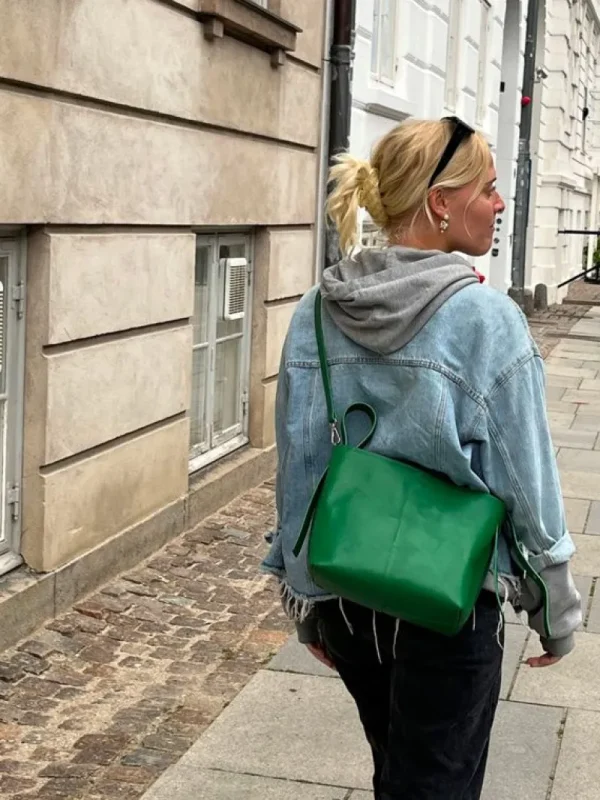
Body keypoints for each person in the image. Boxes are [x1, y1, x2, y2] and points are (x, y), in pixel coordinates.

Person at [262, 117, 581, 799]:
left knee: (397, 772)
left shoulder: (317, 311)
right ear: (441, 203)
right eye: (487, 188)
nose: (500, 202)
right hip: (448, 607)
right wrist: (555, 612)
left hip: (349, 600)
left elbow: (299, 464)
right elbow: (528, 482)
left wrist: (305, 597)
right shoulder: (485, 321)